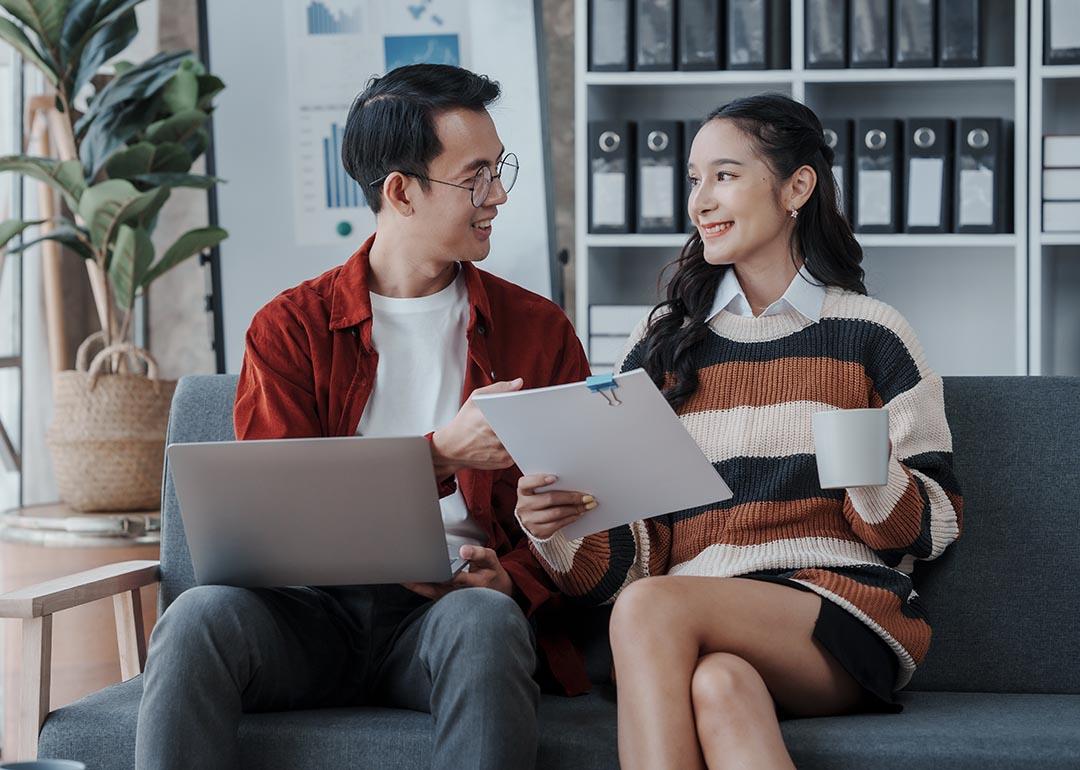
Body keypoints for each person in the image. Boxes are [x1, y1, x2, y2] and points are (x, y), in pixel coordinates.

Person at [135, 64, 592, 770]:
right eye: (475, 177)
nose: (497, 195)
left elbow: (582, 511)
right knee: (196, 617)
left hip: (448, 617)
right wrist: (438, 455)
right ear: (400, 192)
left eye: (500, 172)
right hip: (306, 616)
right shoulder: (288, 328)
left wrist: (514, 578)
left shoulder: (538, 331)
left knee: (486, 619)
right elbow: (277, 508)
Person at [515, 93, 964, 770]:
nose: (700, 201)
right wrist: (558, 525)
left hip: (837, 613)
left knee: (645, 609)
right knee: (718, 686)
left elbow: (937, 524)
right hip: (694, 623)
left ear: (796, 187)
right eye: (694, 179)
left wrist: (868, 469)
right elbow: (631, 555)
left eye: (724, 175)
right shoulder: (660, 345)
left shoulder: (873, 333)